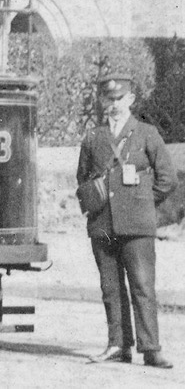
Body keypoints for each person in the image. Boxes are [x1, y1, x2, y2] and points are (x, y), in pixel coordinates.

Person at [77, 74, 177, 369]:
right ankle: (118, 344)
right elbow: (83, 177)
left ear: (131, 100)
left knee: (143, 286)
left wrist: (143, 203)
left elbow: (167, 179)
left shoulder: (146, 133)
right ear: (102, 102)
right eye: (108, 99)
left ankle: (151, 348)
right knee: (110, 288)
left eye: (119, 99)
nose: (114, 104)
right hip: (103, 225)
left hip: (137, 226)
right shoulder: (93, 137)